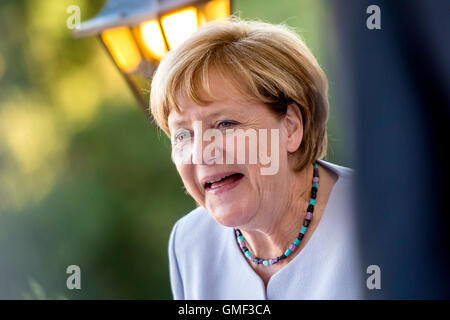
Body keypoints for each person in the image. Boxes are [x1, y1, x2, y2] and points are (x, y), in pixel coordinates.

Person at [149, 17, 363, 299]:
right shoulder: (189, 243)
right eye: (182, 134)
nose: (201, 152)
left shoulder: (382, 218)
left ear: (291, 126)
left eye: (225, 124)